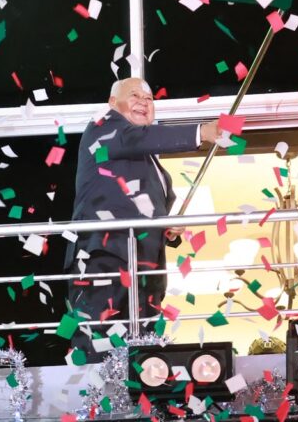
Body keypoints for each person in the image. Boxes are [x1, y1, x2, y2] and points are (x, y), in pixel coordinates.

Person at [66, 77, 221, 359]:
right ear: (113, 103)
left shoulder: (151, 162)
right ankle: (94, 401)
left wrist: (167, 227)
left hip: (147, 268)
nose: (143, 102)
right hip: (105, 257)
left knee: (146, 354)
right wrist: (202, 132)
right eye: (134, 95)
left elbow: (144, 205)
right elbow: (132, 139)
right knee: (100, 345)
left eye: (149, 99)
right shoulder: (103, 127)